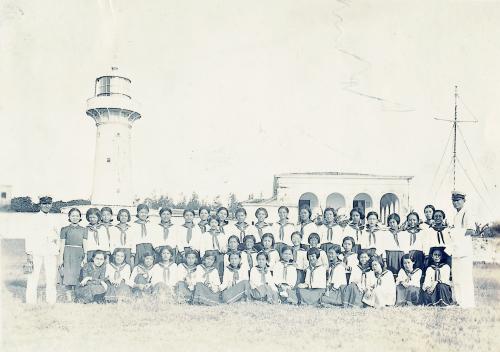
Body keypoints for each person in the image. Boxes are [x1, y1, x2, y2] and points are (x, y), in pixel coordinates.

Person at [25, 196, 60, 305]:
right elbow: (29, 236)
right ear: (40, 205)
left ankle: (51, 301)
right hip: (36, 251)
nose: (46, 206)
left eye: (49, 203)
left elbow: (57, 235)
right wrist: (29, 252)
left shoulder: (54, 218)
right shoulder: (34, 218)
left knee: (51, 277)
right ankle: (30, 301)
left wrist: (56, 247)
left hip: (50, 252)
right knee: (33, 277)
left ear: (51, 204)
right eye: (44, 204)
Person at [450, 191, 476, 308]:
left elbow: (472, 230)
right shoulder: (456, 215)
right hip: (456, 251)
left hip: (464, 251)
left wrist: (454, 232)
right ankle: (460, 302)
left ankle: (468, 303)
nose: (455, 203)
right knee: (457, 278)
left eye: (458, 200)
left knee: (465, 278)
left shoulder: (467, 212)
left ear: (463, 201)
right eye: (454, 201)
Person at [59, 208, 88, 302]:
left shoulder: (84, 230)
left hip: (79, 254)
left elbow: (85, 244)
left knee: (77, 275)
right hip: (67, 254)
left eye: (77, 216)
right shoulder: (64, 229)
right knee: (67, 276)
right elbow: (62, 245)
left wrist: (85, 257)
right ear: (69, 217)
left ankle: (76, 297)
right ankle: (69, 298)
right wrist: (60, 258)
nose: (75, 218)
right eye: (73, 216)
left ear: (80, 217)